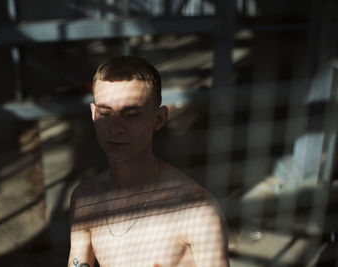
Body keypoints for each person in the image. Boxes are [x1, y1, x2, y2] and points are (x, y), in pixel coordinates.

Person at [68, 56, 229, 267]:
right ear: (93, 114)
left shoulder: (196, 212)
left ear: (159, 119)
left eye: (131, 114)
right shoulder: (85, 199)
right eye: (105, 113)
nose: (116, 128)